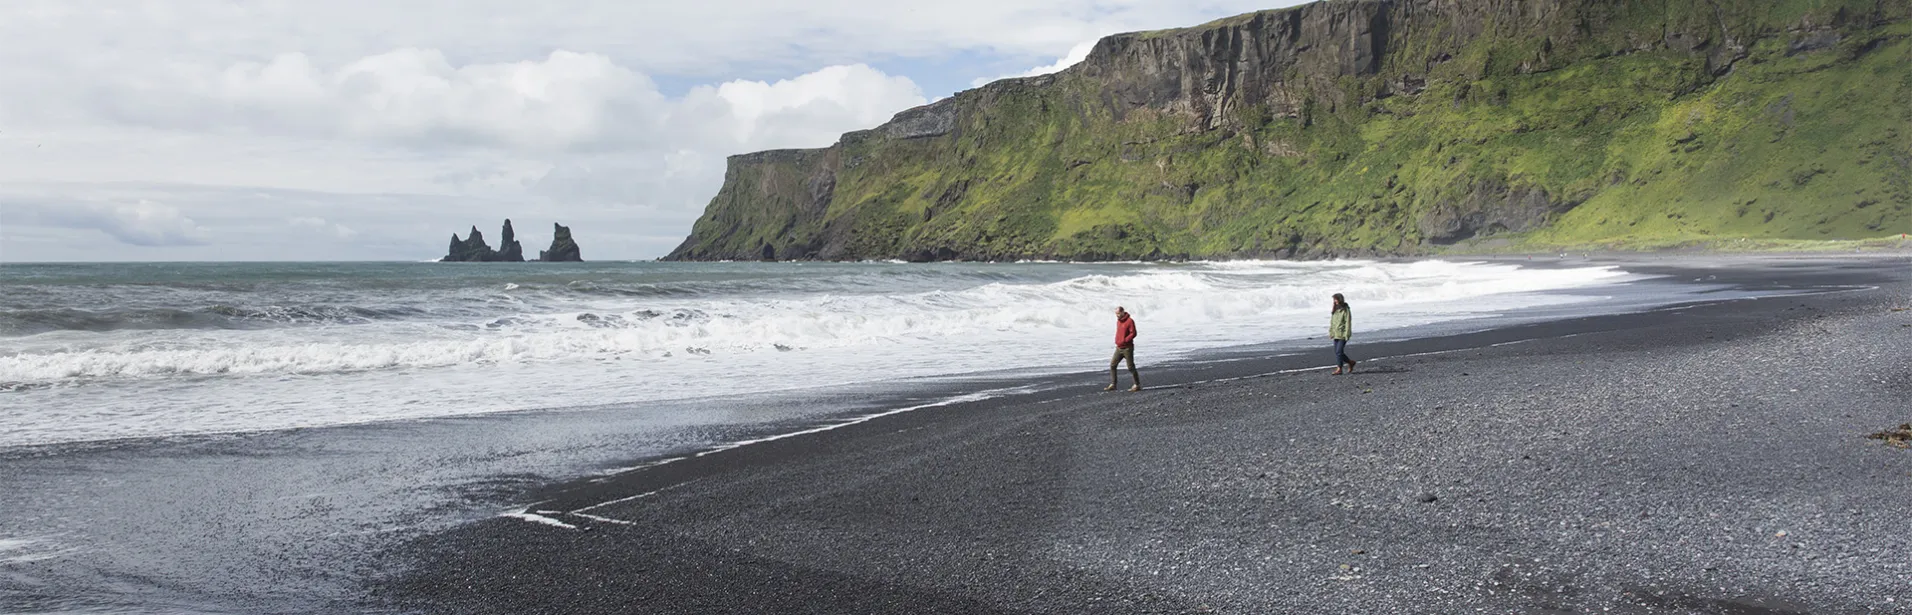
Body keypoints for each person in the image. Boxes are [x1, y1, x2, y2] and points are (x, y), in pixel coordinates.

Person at [1105, 306, 1142, 392]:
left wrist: (1125, 340)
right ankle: (1113, 384)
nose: (1117, 315)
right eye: (1116, 314)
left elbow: (1134, 333)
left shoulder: (1130, 321)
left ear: (1122, 312)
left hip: (1127, 348)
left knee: (1130, 367)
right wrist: (1118, 340)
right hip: (1119, 348)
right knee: (1112, 365)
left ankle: (1137, 384)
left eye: (1118, 313)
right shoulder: (1118, 322)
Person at [1329, 293, 1357, 375]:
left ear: (1340, 299)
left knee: (1339, 352)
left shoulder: (1345, 310)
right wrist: (1331, 332)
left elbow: (1348, 322)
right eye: (1334, 299)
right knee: (1338, 352)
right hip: (1335, 333)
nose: (1335, 301)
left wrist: (1347, 334)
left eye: (1336, 299)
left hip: (1342, 333)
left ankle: (1339, 369)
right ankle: (1350, 362)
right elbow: (1332, 322)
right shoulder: (1335, 309)